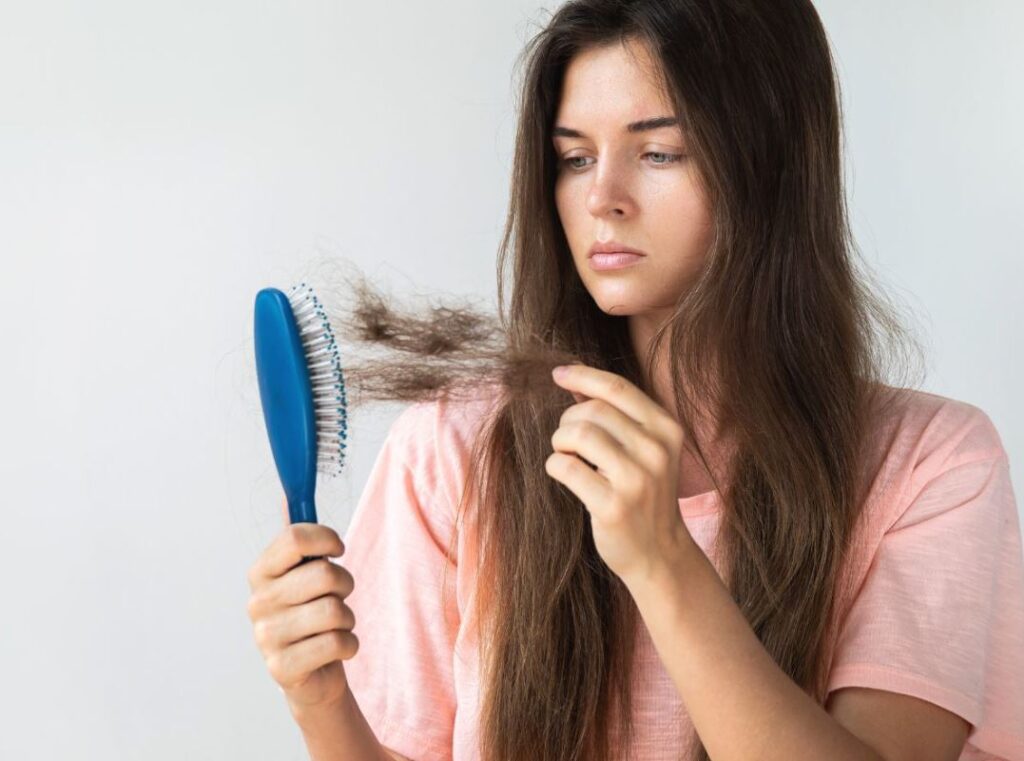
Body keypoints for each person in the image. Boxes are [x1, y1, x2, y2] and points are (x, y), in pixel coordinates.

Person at [246, 1, 1024, 760]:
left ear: (769, 164)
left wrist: (663, 560)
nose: (600, 198)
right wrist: (321, 704)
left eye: (659, 153)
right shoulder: (453, 449)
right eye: (574, 157)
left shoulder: (931, 464)